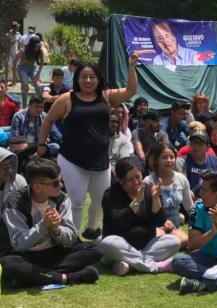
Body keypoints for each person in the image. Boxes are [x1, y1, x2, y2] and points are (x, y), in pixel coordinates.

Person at [36, 55, 138, 241]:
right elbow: (48, 120)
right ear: (77, 79)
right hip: (71, 159)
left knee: (100, 201)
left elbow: (131, 90)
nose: (88, 81)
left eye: (92, 77)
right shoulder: (67, 98)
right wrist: (42, 145)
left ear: (98, 79)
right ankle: (72, 238)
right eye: (84, 77)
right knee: (77, 201)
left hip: (100, 160)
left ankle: (92, 230)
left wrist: (131, 66)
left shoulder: (106, 97)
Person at [0, 158, 102, 287]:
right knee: (9, 263)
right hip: (26, 255)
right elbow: (19, 244)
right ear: (37, 187)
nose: (61, 185)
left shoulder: (62, 198)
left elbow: (70, 239)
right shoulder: (14, 203)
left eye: (60, 180)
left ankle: (32, 277)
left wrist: (57, 229)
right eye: (55, 183)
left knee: (98, 249)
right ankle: (68, 277)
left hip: (54, 251)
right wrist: (44, 225)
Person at [100, 158, 180, 276]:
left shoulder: (148, 189)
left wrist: (155, 199)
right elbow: (119, 221)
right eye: (130, 180)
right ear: (121, 181)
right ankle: (156, 266)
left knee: (174, 241)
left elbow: (160, 221)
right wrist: (137, 201)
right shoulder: (111, 194)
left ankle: (127, 263)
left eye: (138, 176)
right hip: (121, 243)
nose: (137, 182)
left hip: (146, 243)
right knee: (107, 243)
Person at [144, 144, 193, 248]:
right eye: (164, 157)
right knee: (158, 240)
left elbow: (189, 206)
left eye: (172, 157)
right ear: (156, 160)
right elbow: (145, 210)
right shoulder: (148, 181)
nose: (169, 160)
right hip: (156, 225)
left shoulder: (181, 179)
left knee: (184, 241)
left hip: (174, 226)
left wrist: (197, 226)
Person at [175, 131, 217, 196]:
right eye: (193, 143)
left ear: (208, 147)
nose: (196, 146)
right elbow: (183, 187)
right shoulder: (181, 162)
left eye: (200, 143)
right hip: (189, 201)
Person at [12, 36, 44, 106]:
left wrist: (38, 75)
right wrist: (14, 75)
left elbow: (41, 63)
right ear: (31, 45)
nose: (37, 48)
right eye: (35, 46)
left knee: (38, 85)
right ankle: (24, 106)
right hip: (22, 68)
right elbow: (14, 62)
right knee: (25, 87)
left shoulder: (40, 50)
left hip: (33, 67)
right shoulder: (23, 50)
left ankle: (39, 104)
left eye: (38, 46)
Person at [108, 112, 131, 178]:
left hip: (117, 170)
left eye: (117, 122)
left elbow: (124, 160)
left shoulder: (123, 138)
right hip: (102, 168)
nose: (115, 124)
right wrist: (109, 168)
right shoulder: (100, 137)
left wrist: (116, 169)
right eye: (112, 121)